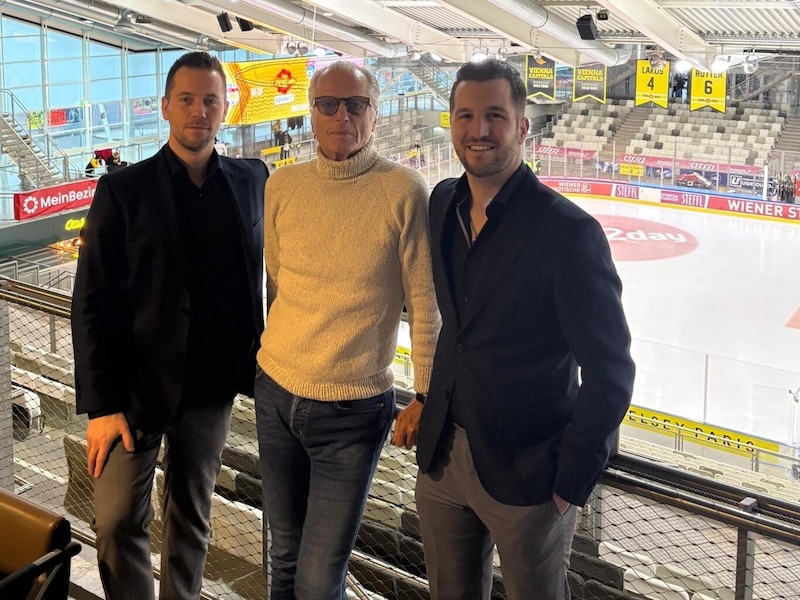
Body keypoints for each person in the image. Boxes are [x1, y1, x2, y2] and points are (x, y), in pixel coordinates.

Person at [414, 59, 635, 600]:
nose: (479, 130)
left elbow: (611, 371)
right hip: (443, 458)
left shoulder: (569, 233)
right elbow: (458, 330)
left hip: (530, 476)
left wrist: (566, 485)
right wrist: (426, 399)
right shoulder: (443, 203)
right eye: (466, 115)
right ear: (452, 123)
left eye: (495, 115)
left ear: (522, 127)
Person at [71, 51, 268, 600]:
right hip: (134, 391)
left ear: (226, 109)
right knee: (114, 524)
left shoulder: (253, 179)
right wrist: (102, 404)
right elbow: (91, 301)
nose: (198, 112)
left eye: (210, 100)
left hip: (210, 390)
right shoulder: (123, 190)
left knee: (191, 522)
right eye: (186, 99)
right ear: (165, 107)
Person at [255, 59, 440, 598]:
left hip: (352, 411)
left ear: (374, 115)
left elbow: (426, 306)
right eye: (328, 105)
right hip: (275, 395)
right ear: (311, 115)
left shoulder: (404, 191)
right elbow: (279, 275)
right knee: (283, 559)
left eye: (355, 105)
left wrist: (425, 393)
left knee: (318, 579)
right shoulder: (282, 186)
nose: (342, 116)